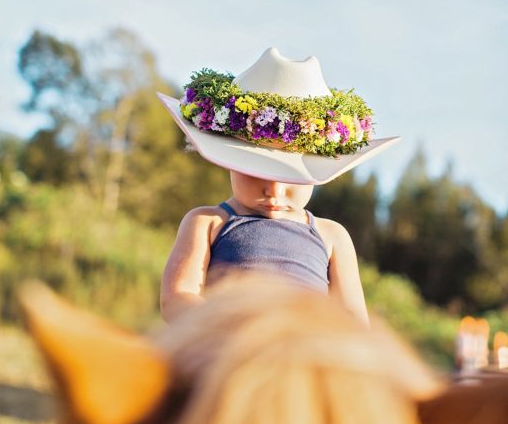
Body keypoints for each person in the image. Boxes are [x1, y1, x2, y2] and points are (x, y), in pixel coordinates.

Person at [157, 47, 399, 325]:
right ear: (231, 160)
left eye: (291, 175)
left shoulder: (332, 236)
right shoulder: (207, 223)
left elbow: (353, 320)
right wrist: (230, 326)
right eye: (257, 170)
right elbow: (177, 298)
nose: (274, 190)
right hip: (223, 350)